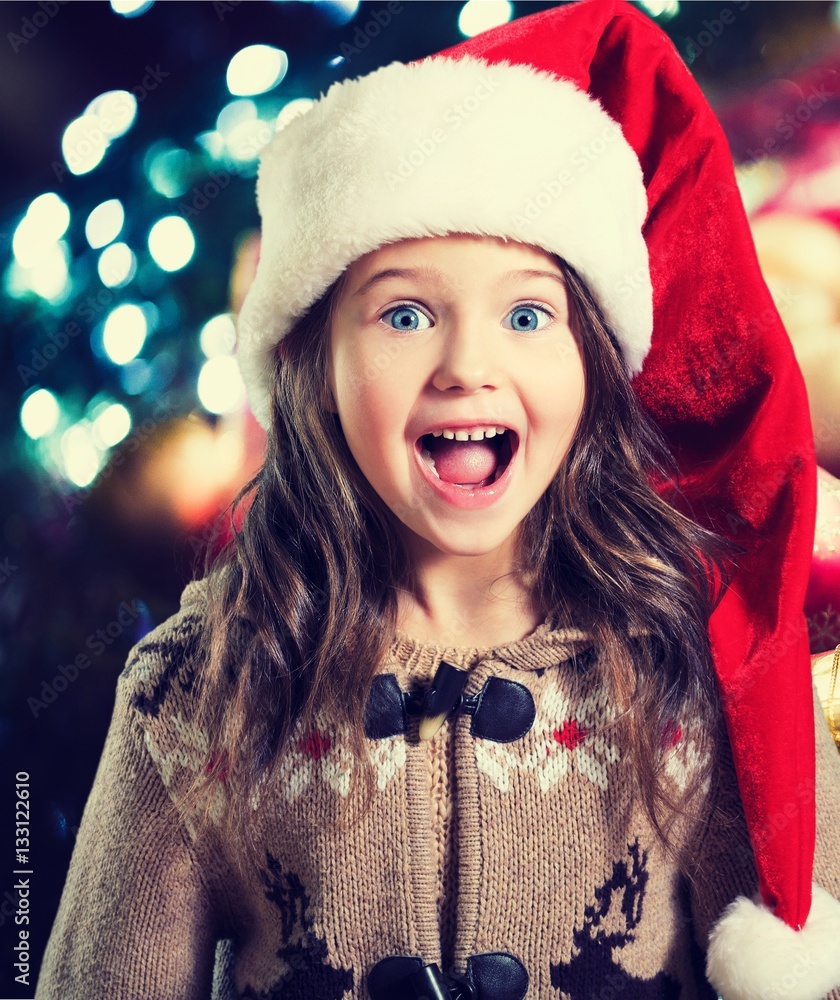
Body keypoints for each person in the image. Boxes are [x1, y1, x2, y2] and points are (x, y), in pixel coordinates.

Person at [36, 2, 840, 998]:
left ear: (595, 364)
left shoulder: (699, 669)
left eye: (527, 313)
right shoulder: (198, 690)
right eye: (406, 313)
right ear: (311, 364)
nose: (467, 364)